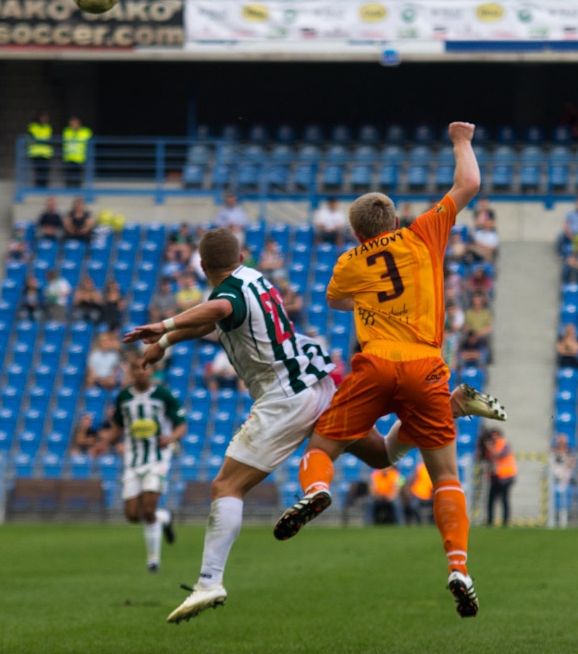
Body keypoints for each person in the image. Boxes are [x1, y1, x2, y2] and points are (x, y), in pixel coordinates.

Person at [124, 227, 508, 623]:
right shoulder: (253, 279)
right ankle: (451, 405)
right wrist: (166, 343)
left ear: (202, 266)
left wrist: (165, 325)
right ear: (241, 258)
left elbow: (219, 311)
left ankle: (210, 581)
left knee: (227, 486)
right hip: (316, 380)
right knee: (380, 455)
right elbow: (216, 317)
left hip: (284, 398)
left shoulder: (226, 296)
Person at [272, 122, 489, 619]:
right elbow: (469, 184)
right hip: (427, 366)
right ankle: (458, 565)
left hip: (374, 365)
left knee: (325, 443)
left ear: (356, 231)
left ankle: (317, 489)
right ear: (393, 219)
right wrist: (460, 140)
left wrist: (370, 296)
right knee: (445, 476)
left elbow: (337, 300)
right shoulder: (423, 234)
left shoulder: (350, 260)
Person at [92, 356, 183, 573]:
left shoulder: (163, 395)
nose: (141, 372)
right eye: (136, 368)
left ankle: (153, 560)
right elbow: (118, 427)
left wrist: (170, 438)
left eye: (145, 367)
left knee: (148, 507)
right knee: (133, 515)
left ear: (151, 370)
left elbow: (181, 425)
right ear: (131, 372)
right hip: (133, 461)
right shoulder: (123, 397)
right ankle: (165, 518)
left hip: (157, 458)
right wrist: (104, 443)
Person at [485, 429, 516, 527]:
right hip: (495, 477)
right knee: (491, 500)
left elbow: (499, 455)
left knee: (504, 500)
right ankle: (490, 521)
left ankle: (505, 522)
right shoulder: (491, 446)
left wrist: (489, 447)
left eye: (496, 436)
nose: (494, 438)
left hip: (506, 476)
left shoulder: (503, 444)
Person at [550, 434, 575, 528]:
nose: (562, 443)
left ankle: (563, 520)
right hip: (555, 478)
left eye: (563, 441)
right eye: (560, 441)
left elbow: (571, 464)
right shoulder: (554, 451)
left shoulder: (569, 452)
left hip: (565, 478)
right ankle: (551, 519)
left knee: (563, 499)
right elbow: (552, 464)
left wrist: (565, 474)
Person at [62, 116, 92, 189]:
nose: (73, 124)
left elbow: (90, 142)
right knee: (69, 175)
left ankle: (77, 189)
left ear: (79, 123)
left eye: (75, 123)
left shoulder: (86, 131)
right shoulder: (67, 131)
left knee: (78, 175)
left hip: (80, 157)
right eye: (72, 123)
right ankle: (69, 189)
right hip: (69, 157)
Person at [26, 112, 53, 188]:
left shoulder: (48, 127)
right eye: (42, 117)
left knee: (45, 172)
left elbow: (50, 139)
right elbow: (28, 138)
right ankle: (37, 187)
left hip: (45, 153)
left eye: (45, 118)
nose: (44, 119)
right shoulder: (33, 126)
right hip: (35, 153)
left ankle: (44, 187)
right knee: (37, 172)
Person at [404, 460, 434, 525]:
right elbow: (410, 480)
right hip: (418, 494)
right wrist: (408, 491)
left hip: (430, 495)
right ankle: (419, 522)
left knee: (438, 505)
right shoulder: (420, 468)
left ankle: (433, 523)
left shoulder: (435, 469)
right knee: (414, 505)